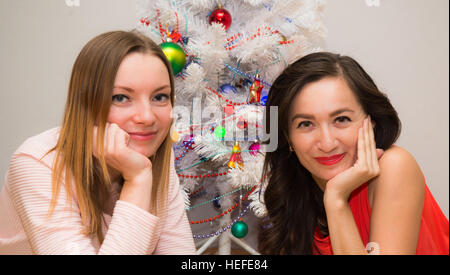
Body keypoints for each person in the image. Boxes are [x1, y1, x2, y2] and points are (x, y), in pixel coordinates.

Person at [0, 30, 196, 254]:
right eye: (121, 98)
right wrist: (138, 179)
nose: (147, 117)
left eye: (159, 97)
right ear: (86, 106)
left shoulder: (153, 152)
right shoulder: (36, 162)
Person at [258, 52, 449, 255]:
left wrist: (336, 199)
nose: (327, 143)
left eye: (341, 119)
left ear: (371, 120)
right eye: (306, 124)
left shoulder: (394, 167)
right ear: (288, 137)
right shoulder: (296, 193)